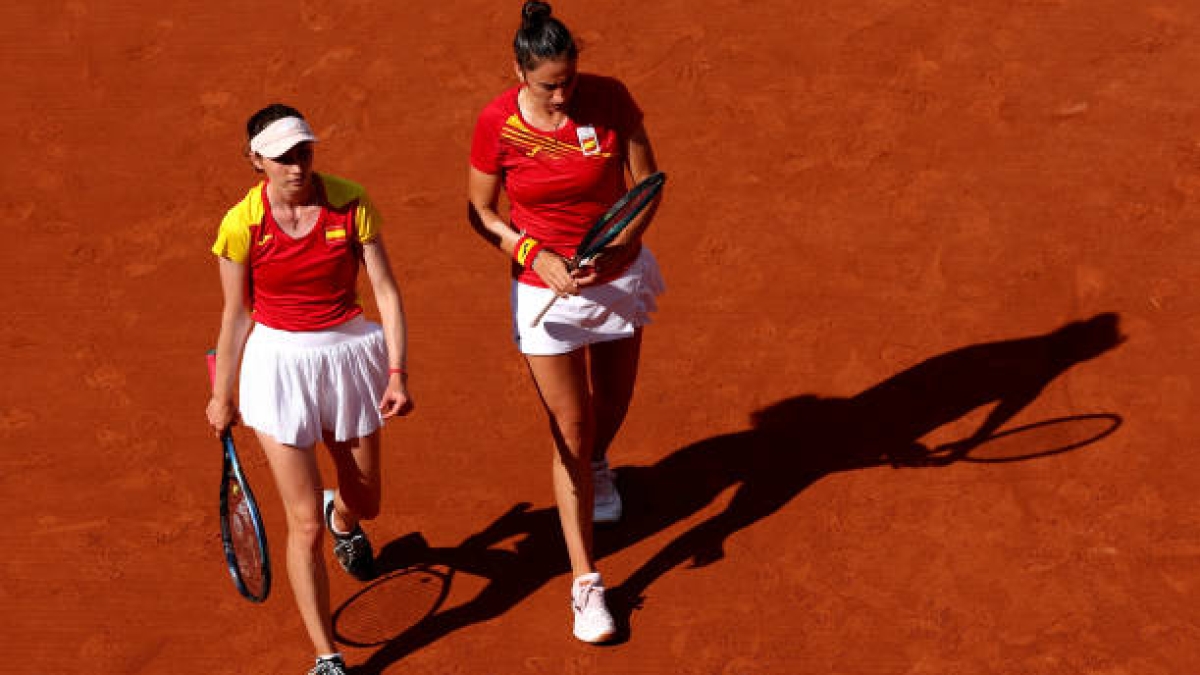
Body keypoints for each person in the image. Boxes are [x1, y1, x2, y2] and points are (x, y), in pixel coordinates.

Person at [466, 0, 665, 644]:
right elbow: (481, 211)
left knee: (611, 407)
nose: (562, 94)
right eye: (550, 84)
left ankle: (599, 464)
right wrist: (533, 253)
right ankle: (587, 585)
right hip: (541, 286)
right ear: (519, 71)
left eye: (569, 80)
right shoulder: (497, 122)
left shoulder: (609, 100)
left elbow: (647, 184)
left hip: (616, 276)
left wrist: (617, 245)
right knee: (570, 429)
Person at [205, 104, 413, 675]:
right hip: (277, 367)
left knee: (367, 498)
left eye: (304, 153)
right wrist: (223, 394)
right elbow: (235, 317)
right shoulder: (241, 223)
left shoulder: (351, 201)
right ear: (256, 161)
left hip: (349, 356)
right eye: (282, 158)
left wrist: (397, 371)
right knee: (303, 524)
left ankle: (344, 519)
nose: (297, 167)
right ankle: (327, 658)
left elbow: (387, 293)